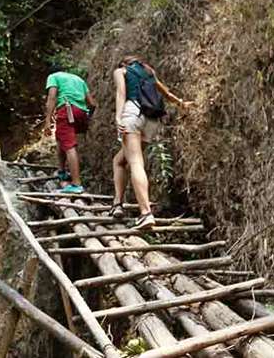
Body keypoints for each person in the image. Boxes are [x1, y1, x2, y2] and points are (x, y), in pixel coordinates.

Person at [109, 56, 192, 229]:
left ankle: (146, 213)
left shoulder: (121, 71)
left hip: (132, 114)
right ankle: (117, 204)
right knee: (119, 161)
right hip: (152, 120)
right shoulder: (148, 72)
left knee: (136, 163)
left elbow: (121, 93)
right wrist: (182, 103)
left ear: (124, 63)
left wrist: (118, 118)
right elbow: (166, 94)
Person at [43, 65, 96, 193]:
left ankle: (76, 184)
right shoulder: (78, 79)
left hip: (67, 110)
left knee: (69, 146)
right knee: (62, 138)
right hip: (82, 112)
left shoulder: (53, 77)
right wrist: (87, 116)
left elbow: (52, 97)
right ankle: (62, 171)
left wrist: (48, 120)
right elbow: (92, 103)